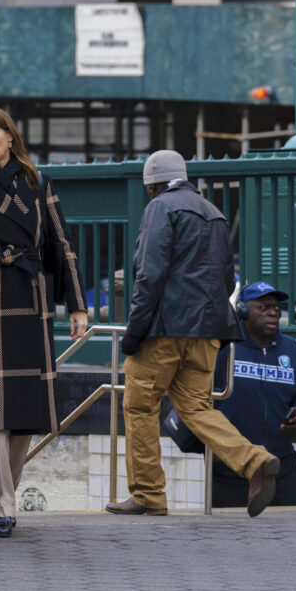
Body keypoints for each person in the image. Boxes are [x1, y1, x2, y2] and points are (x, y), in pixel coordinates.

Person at [107, 149, 279, 519]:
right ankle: (255, 460)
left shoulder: (160, 208)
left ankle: (148, 494)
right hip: (209, 331)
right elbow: (227, 278)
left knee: (139, 407)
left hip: (165, 331)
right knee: (198, 409)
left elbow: (148, 275)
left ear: (152, 184)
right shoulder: (213, 212)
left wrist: (134, 333)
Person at [0, 105, 88, 538]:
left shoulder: (38, 181)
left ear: (10, 135)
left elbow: (61, 243)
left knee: (24, 407)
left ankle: (5, 495)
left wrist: (77, 305)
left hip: (30, 300)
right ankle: (1, 506)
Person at [211, 281, 296, 508]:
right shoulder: (224, 348)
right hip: (231, 468)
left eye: (276, 308)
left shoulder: (292, 349)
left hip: (281, 465)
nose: (273, 313)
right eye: (263, 307)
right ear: (243, 311)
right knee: (227, 533)